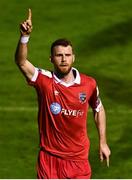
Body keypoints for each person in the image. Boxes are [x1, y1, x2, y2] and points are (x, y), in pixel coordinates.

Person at [15, 9, 111, 179]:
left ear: (73, 57)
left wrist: (103, 142)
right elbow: (21, 62)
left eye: (67, 55)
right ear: (51, 59)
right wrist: (24, 37)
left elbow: (99, 109)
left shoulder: (89, 84)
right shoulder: (44, 81)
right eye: (59, 55)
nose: (64, 59)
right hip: (49, 159)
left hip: (78, 161)